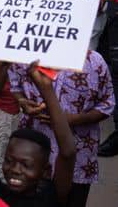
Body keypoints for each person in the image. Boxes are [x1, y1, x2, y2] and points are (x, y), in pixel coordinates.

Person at [0, 60, 77, 207]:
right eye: (9, 161)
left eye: (26, 165)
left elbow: (68, 153)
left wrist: (47, 90)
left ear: (45, 171)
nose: (15, 170)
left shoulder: (51, 196)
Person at [8, 53, 113, 207]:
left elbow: (107, 105)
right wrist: (23, 102)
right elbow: (15, 86)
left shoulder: (94, 62)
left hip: (80, 156)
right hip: (32, 153)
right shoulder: (25, 54)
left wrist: (72, 119)